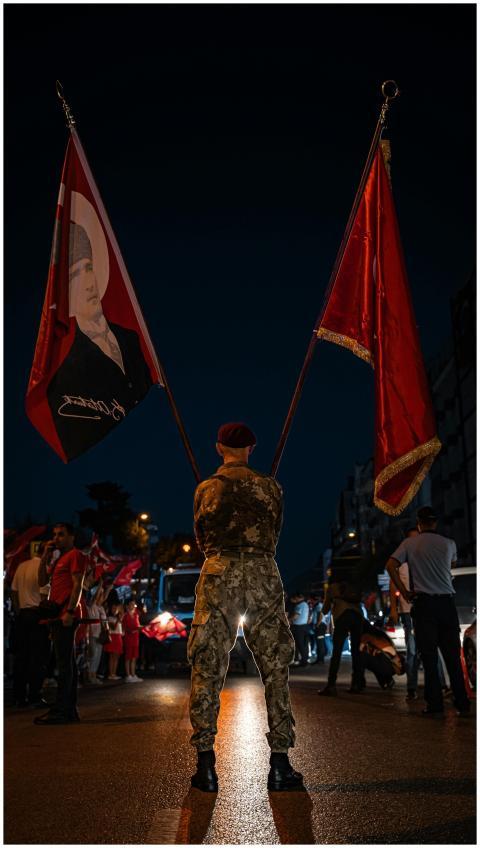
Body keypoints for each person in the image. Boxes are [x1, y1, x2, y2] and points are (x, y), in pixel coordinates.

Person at [188, 422, 302, 792]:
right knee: (275, 667)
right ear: (251, 447)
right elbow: (277, 532)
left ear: (219, 446)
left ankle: (206, 766)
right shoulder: (270, 487)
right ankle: (280, 765)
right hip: (262, 574)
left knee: (207, 666)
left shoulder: (206, 488)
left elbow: (202, 537)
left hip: (219, 572)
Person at [46, 197, 152, 461]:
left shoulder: (130, 339)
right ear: (67, 292)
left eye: (89, 268)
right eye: (76, 274)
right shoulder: (69, 369)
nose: (89, 282)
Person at [386, 506, 470, 717]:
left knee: (429, 657)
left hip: (424, 605)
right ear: (436, 523)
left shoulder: (409, 543)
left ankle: (435, 706)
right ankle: (462, 703)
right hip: (447, 604)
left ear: (419, 523)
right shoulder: (449, 543)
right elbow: (451, 565)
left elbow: (390, 565)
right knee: (452, 656)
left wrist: (404, 592)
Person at [35, 523, 87, 724]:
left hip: (66, 615)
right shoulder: (58, 559)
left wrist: (71, 612)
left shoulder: (75, 555)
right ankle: (68, 709)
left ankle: (62, 710)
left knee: (64, 665)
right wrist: (45, 557)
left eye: (61, 535)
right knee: (67, 663)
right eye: (54, 535)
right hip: (57, 616)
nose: (56, 538)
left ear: (71, 537)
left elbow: (78, 585)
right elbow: (41, 581)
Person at [11, 543, 50, 707]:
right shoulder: (43, 569)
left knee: (21, 657)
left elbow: (13, 591)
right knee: (38, 657)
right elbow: (44, 597)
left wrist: (18, 609)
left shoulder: (22, 566)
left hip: (22, 615)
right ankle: (35, 694)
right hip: (37, 616)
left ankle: (19, 695)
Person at [318, 573, 365, 696]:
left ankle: (331, 685)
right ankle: (357, 684)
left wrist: (324, 610)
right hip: (357, 616)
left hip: (342, 616)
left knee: (337, 652)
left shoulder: (333, 587)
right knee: (356, 652)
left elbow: (326, 608)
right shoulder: (353, 586)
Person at [123, 600, 143, 682]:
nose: (133, 606)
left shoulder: (136, 615)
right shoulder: (125, 616)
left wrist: (140, 628)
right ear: (128, 606)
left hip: (135, 639)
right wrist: (132, 630)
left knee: (134, 657)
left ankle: (133, 674)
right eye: (131, 604)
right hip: (128, 638)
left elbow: (138, 625)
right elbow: (124, 627)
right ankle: (128, 675)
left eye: (134, 604)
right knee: (128, 657)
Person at [104, 601, 124, 679]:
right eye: (113, 608)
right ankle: (111, 674)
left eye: (116, 608)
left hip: (118, 637)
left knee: (116, 657)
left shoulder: (119, 618)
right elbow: (113, 628)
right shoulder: (109, 618)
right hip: (113, 637)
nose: (114, 609)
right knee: (112, 656)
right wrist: (118, 620)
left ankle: (113, 673)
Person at [289, 592, 310, 666]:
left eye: (295, 598)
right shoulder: (306, 604)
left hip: (298, 627)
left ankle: (304, 661)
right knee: (303, 644)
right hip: (304, 626)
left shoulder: (299, 605)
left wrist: (289, 621)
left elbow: (296, 616)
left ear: (298, 598)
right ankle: (303, 660)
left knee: (299, 644)